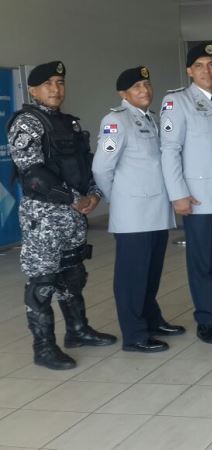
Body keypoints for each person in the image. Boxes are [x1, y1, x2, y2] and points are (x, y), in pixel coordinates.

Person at [7, 61, 116, 370]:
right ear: (33, 90)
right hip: (44, 217)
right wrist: (74, 200)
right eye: (48, 84)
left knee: (73, 275)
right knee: (43, 281)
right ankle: (43, 348)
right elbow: (33, 173)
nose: (55, 89)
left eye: (60, 82)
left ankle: (78, 331)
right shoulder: (27, 123)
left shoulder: (69, 123)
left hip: (73, 216)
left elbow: (86, 164)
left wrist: (94, 194)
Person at [92, 66, 185, 353]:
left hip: (156, 212)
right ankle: (134, 334)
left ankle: (151, 320)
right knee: (132, 277)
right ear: (123, 94)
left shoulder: (151, 119)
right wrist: (117, 199)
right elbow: (101, 168)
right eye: (136, 87)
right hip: (134, 215)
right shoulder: (115, 121)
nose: (144, 90)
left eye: (147, 84)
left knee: (151, 274)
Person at [160, 42, 212, 344]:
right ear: (189, 71)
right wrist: (177, 193)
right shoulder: (176, 102)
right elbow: (170, 149)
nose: (206, 70)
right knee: (202, 262)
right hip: (198, 197)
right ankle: (206, 319)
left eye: (211, 64)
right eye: (199, 65)